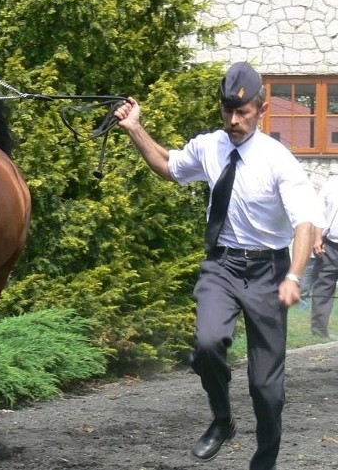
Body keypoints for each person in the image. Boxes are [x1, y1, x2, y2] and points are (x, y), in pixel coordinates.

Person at [114, 61, 323, 470]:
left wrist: (295, 275)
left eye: (242, 112)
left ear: (261, 110)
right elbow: (169, 168)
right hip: (223, 265)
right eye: (227, 110)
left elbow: (304, 223)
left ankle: (264, 461)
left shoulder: (277, 159)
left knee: (266, 388)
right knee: (208, 345)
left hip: (270, 272)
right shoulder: (210, 146)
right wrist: (136, 129)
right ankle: (223, 420)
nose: (233, 119)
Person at [309, 173, 338, 338]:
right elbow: (318, 213)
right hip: (331, 245)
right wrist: (317, 238)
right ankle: (319, 331)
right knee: (324, 285)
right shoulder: (332, 184)